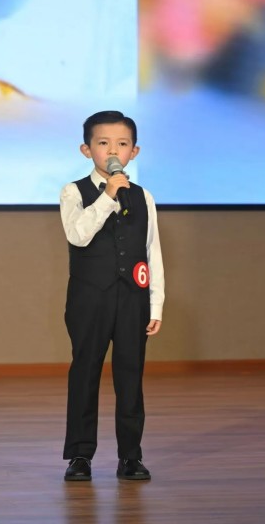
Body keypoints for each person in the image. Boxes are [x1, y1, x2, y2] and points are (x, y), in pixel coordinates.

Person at [60, 110, 165, 482]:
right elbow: (78, 235)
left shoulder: (143, 196)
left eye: (122, 144)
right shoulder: (74, 192)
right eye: (103, 143)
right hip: (89, 299)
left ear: (134, 152)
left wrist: (156, 304)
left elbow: (152, 252)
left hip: (132, 299)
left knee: (130, 376)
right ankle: (80, 456)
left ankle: (130, 457)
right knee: (85, 372)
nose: (113, 150)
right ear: (86, 149)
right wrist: (107, 196)